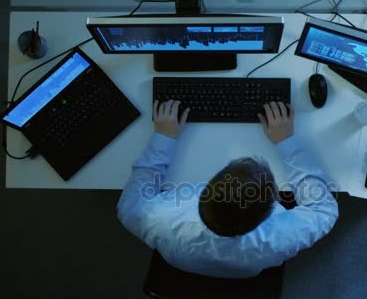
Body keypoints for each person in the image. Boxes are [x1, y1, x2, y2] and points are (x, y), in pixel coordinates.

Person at [117, 99, 339, 278]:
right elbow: (325, 211)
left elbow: (129, 203)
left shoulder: (156, 218)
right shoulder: (282, 237)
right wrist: (286, 141)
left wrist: (164, 136)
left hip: (182, 261)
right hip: (247, 271)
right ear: (272, 208)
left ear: (203, 192)